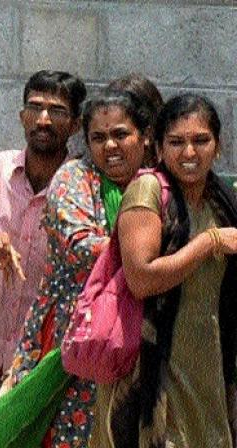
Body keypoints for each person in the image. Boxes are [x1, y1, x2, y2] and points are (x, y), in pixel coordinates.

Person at [4, 89, 154, 448]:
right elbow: (82, 245)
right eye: (98, 138)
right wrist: (151, 256)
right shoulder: (74, 179)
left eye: (121, 134)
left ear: (145, 136)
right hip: (78, 338)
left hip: (144, 338)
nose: (111, 146)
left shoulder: (155, 182)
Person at [92, 94, 237, 447]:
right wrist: (209, 243)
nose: (189, 153)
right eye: (176, 142)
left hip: (207, 369)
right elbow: (141, 279)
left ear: (217, 148)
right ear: (158, 147)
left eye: (201, 141)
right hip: (154, 370)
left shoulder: (222, 200)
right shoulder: (149, 190)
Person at [0, 70, 86, 421]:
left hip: (46, 370)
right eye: (35, 107)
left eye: (56, 111)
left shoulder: (83, 186)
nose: (43, 119)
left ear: (75, 125)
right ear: (21, 115)